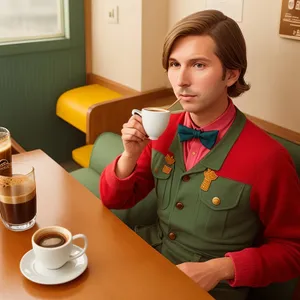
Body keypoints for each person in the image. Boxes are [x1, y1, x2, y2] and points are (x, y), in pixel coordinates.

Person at [99, 10, 300, 300]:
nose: (181, 80)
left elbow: (293, 249)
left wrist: (220, 269)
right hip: (147, 259)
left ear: (231, 74)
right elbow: (114, 199)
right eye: (174, 64)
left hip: (211, 289)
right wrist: (129, 156)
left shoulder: (270, 159)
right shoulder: (163, 131)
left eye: (199, 65)